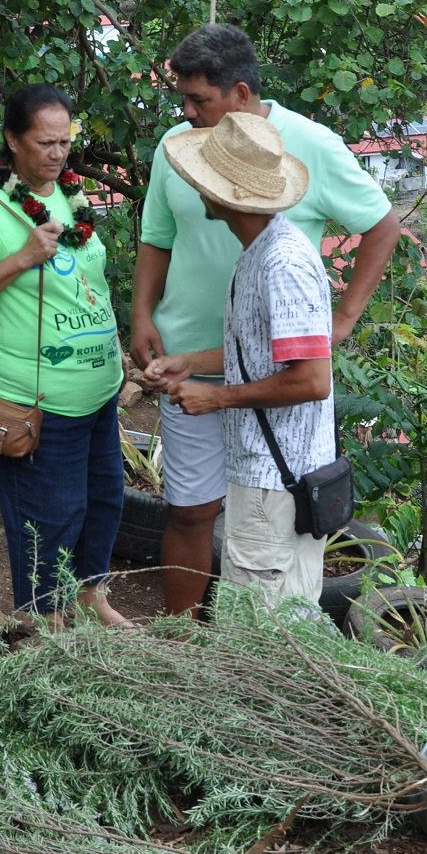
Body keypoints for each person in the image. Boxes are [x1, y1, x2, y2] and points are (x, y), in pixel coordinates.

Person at [131, 23, 398, 614]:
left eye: (199, 99)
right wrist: (144, 314)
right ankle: (186, 641)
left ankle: (247, 662)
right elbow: (157, 236)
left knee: (265, 529)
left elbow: (383, 227)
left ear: (242, 96)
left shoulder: (304, 174)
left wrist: (343, 320)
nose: (187, 112)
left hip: (276, 382)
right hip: (201, 360)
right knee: (193, 510)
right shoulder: (181, 144)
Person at [0, 84, 128, 625]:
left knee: (104, 501)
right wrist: (21, 258)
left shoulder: (70, 192)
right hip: (35, 401)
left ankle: (92, 596)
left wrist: (114, 347)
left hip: (98, 391)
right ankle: (48, 623)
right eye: (45, 142)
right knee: (51, 518)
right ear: (13, 140)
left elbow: (87, 283)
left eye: (65, 142)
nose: (59, 153)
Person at [141, 112, 334, 606]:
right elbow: (263, 354)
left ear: (225, 194)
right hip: (267, 477)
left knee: (262, 634)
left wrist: (217, 397)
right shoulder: (258, 250)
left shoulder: (282, 264)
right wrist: (192, 361)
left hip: (277, 482)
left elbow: (312, 380)